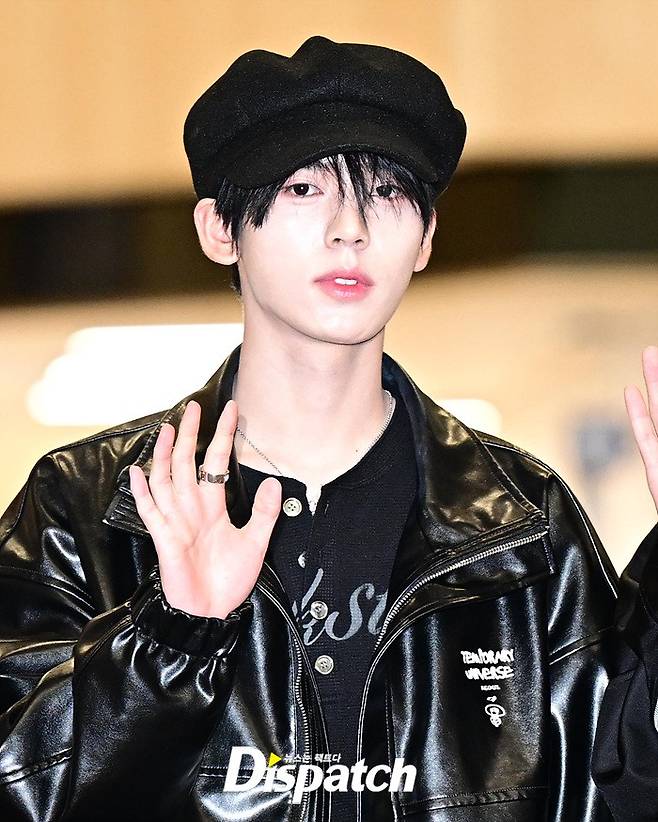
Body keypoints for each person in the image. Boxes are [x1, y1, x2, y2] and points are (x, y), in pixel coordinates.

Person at [0, 34, 655, 821]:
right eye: (304, 188)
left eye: (387, 192)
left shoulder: (521, 526)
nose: (351, 227)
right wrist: (171, 637)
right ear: (219, 230)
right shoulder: (87, 509)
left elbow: (624, 785)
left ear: (428, 237)